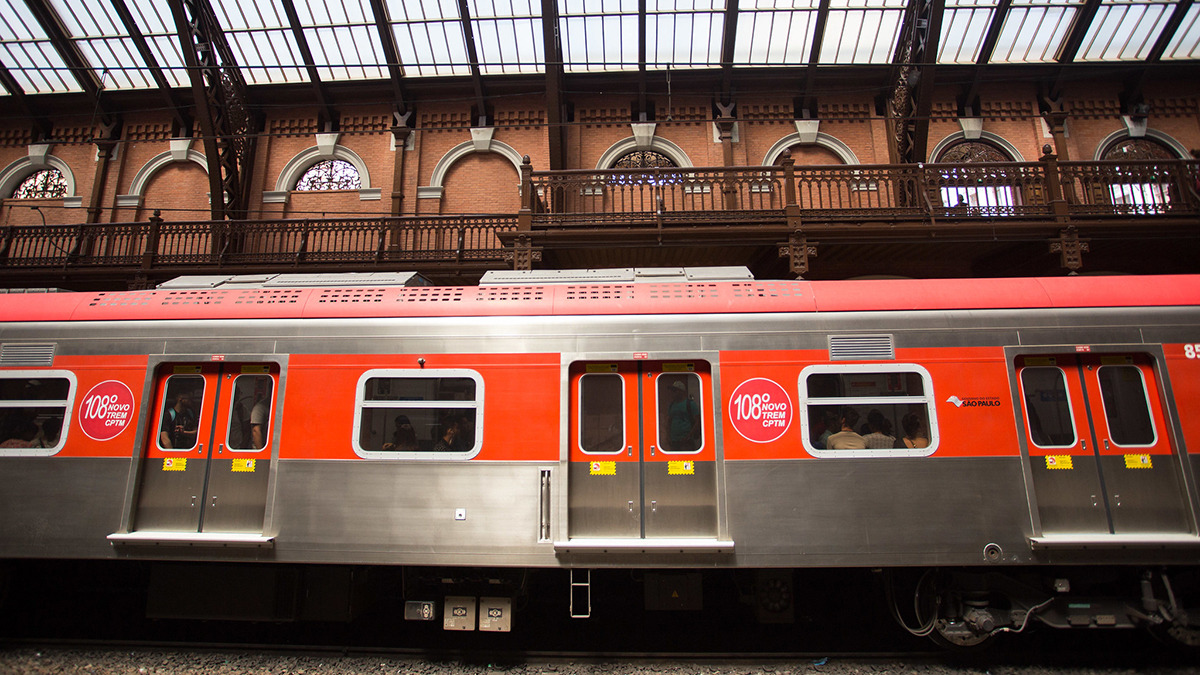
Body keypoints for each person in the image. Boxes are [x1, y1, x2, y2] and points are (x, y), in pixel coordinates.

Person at [666, 380, 700, 451]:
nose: (673, 393)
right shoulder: (672, 405)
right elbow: (669, 421)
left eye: (675, 391)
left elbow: (697, 421)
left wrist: (689, 435)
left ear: (681, 391)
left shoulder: (690, 404)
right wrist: (668, 436)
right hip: (674, 440)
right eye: (672, 391)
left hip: (686, 441)